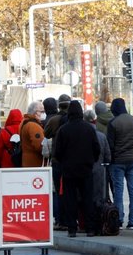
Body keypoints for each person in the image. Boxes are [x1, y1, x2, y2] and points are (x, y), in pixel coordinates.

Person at [53, 101, 102, 237]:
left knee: (70, 199)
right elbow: (96, 148)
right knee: (87, 198)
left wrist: (63, 162)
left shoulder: (63, 130)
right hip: (86, 169)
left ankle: (72, 228)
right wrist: (91, 161)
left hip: (69, 170)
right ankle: (90, 228)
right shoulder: (89, 129)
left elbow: (57, 152)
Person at [107, 98, 133, 230]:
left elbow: (110, 145)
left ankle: (119, 219)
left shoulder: (113, 123)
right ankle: (132, 221)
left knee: (118, 191)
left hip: (118, 161)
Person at [45, 95, 71, 230]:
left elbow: (46, 134)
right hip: (72, 160)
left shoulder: (54, 120)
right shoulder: (75, 119)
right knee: (71, 191)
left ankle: (60, 219)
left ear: (59, 105)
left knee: (58, 190)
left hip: (57, 160)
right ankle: (72, 219)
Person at [85, 109, 112, 226]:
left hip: (85, 170)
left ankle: (86, 223)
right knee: (99, 197)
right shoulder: (101, 136)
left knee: (85, 197)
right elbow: (108, 156)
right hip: (99, 170)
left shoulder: (82, 136)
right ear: (94, 120)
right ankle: (99, 223)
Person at [19, 101, 46, 168]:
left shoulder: (25, 122)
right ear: (36, 112)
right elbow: (39, 145)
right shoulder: (33, 125)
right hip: (35, 163)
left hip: (27, 161)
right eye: (42, 111)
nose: (44, 114)